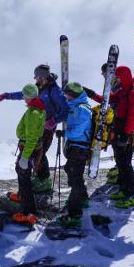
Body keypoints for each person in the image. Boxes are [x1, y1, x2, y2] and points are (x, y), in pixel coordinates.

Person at [0, 64, 69, 193]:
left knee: (41, 151)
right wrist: (6, 95)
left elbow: (66, 110)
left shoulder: (55, 91)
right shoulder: (39, 87)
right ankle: (40, 178)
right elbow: (24, 94)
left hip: (47, 126)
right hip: (38, 124)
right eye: (35, 77)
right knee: (37, 151)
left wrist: (53, 121)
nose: (36, 79)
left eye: (38, 77)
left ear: (43, 76)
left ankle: (44, 181)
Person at [85, 66, 134, 209]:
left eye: (117, 76)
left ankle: (131, 195)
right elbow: (106, 99)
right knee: (120, 162)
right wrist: (91, 94)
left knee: (125, 164)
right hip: (118, 130)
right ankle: (124, 190)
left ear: (124, 76)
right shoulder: (122, 91)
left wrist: (126, 135)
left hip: (126, 133)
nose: (115, 78)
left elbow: (133, 116)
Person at [55, 82, 92, 228]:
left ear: (74, 95)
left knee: (75, 178)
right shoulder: (75, 106)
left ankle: (74, 215)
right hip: (75, 147)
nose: (66, 95)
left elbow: (77, 131)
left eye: (68, 93)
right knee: (72, 173)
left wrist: (64, 133)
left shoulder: (82, 110)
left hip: (79, 148)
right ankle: (82, 199)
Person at [11, 83, 46, 225]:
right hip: (33, 148)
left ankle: (28, 213)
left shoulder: (33, 113)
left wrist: (25, 157)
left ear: (30, 97)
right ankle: (22, 196)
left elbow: (31, 138)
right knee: (22, 174)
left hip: (28, 148)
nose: (23, 98)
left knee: (23, 176)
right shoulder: (39, 107)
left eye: (25, 96)